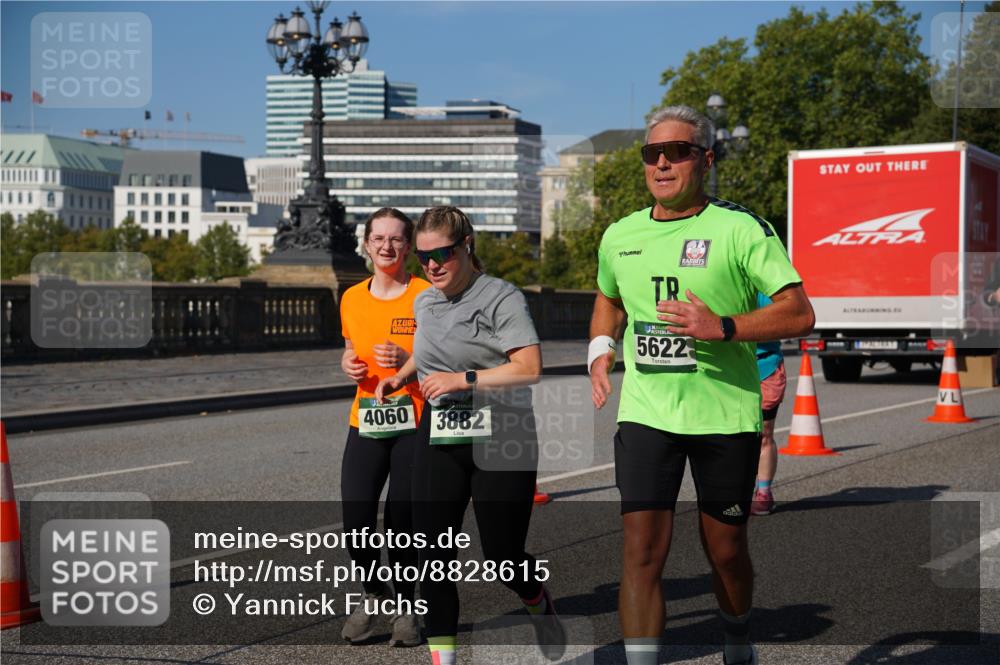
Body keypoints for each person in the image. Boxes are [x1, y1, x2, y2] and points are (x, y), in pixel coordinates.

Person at [589, 105, 815, 665]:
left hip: (723, 416)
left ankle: (737, 635)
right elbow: (609, 298)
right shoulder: (620, 235)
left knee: (726, 550)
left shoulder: (740, 229)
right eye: (651, 153)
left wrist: (724, 327)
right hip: (647, 414)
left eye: (678, 151)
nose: (662, 163)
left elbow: (799, 312)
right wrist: (601, 349)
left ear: (706, 160)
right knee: (640, 553)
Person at [376, 206, 564, 665]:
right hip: (440, 433)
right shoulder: (426, 300)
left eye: (443, 253)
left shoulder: (501, 297)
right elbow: (431, 352)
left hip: (503, 433)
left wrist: (465, 380)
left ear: (467, 245)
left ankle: (536, 600)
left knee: (503, 556)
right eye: (423, 257)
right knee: (431, 556)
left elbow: (530, 368)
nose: (433, 265)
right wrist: (402, 376)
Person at [339, 207, 430, 647]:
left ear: (408, 247)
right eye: (379, 238)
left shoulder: (426, 295)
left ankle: (408, 608)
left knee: (401, 523)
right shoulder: (352, 297)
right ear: (367, 243)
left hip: (414, 421)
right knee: (356, 518)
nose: (387, 246)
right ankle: (375, 592)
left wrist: (409, 364)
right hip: (367, 419)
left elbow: (450, 356)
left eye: (396, 239)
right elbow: (350, 348)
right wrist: (348, 364)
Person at [750, 292, 787, 517]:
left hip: (764, 368)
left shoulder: (764, 288)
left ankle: (763, 492)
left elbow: (782, 322)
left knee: (764, 433)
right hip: (729, 369)